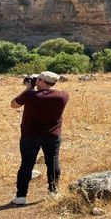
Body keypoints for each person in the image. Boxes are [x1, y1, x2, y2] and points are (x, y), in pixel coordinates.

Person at [10, 71, 69, 205]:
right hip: (52, 135)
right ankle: (53, 192)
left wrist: (28, 88)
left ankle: (21, 197)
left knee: (26, 165)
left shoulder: (30, 95)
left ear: (41, 82)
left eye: (38, 80)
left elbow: (13, 104)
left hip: (30, 135)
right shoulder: (63, 95)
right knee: (53, 163)